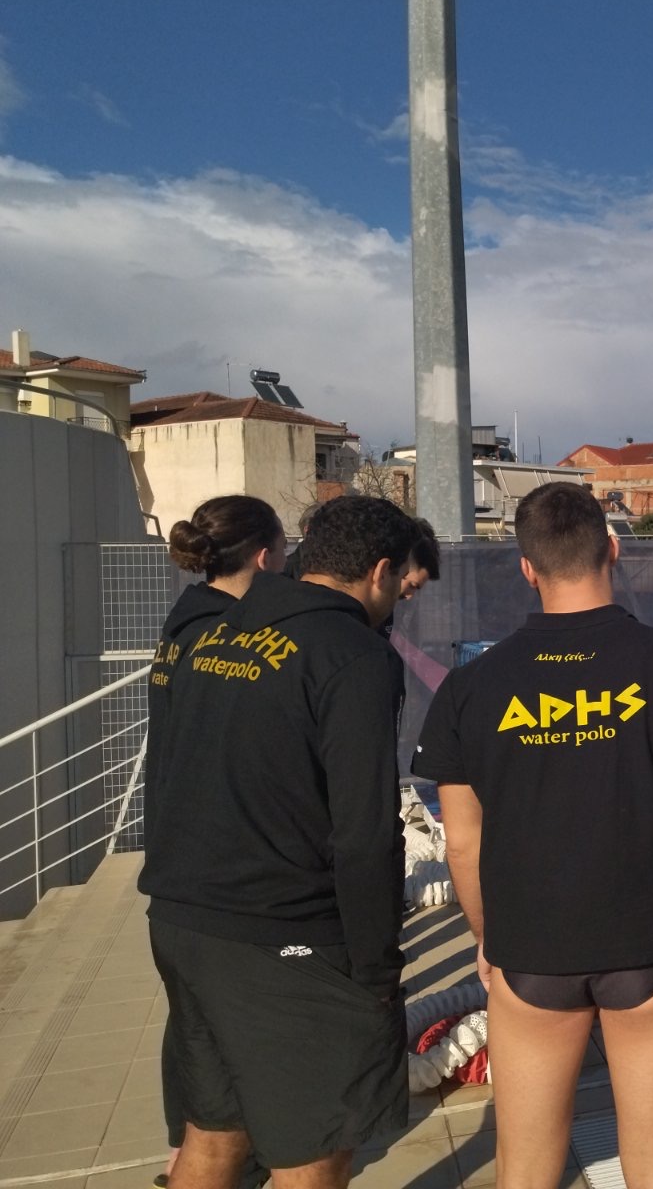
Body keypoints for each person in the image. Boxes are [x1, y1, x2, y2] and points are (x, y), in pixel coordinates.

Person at [412, 483, 653, 1189]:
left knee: (526, 1166)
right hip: (650, 947)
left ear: (527, 568)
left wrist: (487, 938)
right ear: (613, 550)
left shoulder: (471, 688)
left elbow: (464, 845)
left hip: (531, 949)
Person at [138, 495, 420, 1189]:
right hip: (282, 938)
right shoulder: (353, 654)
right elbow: (365, 832)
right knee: (312, 1152)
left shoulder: (214, 632)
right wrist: (376, 968)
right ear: (380, 571)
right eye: (401, 581)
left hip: (183, 920)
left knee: (215, 1135)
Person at [147, 496, 286, 1189]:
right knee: (220, 1056)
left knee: (194, 1031)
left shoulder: (183, 626)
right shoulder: (226, 637)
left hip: (175, 864)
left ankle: (185, 1150)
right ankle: (199, 1157)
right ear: (263, 556)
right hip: (216, 873)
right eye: (283, 553)